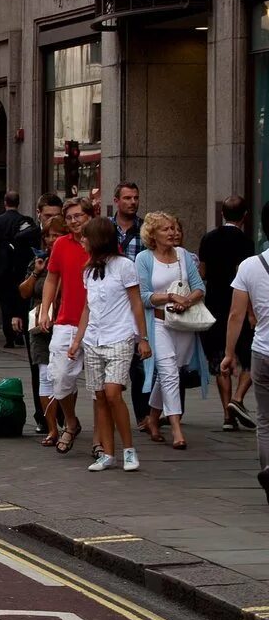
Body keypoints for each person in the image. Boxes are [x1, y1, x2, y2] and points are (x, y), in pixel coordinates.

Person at [69, 216, 150, 473]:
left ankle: (129, 450)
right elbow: (87, 308)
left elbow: (137, 303)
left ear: (98, 240)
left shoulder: (125, 266)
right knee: (100, 396)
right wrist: (77, 340)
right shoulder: (89, 271)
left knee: (114, 393)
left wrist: (143, 339)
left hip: (120, 337)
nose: (82, 241)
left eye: (85, 236)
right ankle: (107, 453)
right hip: (94, 339)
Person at [134, 212, 207, 451]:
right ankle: (176, 429)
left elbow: (199, 287)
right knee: (168, 373)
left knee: (172, 372)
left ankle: (152, 418)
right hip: (158, 324)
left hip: (183, 325)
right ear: (152, 234)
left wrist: (187, 300)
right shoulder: (144, 259)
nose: (172, 233)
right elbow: (143, 296)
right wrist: (169, 296)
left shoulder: (183, 255)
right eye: (166, 229)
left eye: (174, 228)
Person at [36, 199, 93, 455]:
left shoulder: (101, 241)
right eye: (69, 217)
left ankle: (101, 442)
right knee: (58, 378)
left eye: (78, 216)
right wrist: (45, 310)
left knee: (99, 387)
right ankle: (70, 422)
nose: (73, 221)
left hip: (98, 322)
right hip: (66, 319)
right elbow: (51, 278)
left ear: (90, 216)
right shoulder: (60, 243)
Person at [217, 241, 269, 507]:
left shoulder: (250, 266)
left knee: (265, 420)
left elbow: (236, 315)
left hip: (263, 352)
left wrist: (228, 353)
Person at [197, 196, 255, 431]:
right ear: (245, 216)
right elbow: (245, 277)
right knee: (250, 359)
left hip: (214, 304)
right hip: (238, 303)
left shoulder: (208, 238)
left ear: (222, 214)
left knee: (221, 359)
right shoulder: (246, 242)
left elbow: (202, 271)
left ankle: (227, 416)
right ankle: (238, 398)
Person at [21, 216, 67, 443]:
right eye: (47, 235)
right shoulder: (38, 261)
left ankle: (68, 422)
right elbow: (23, 292)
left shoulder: (69, 258)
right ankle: (52, 429)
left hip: (64, 323)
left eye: (55, 235)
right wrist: (36, 272)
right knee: (44, 375)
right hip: (39, 325)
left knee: (64, 376)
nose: (50, 240)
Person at [0, 192, 36, 348]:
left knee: (6, 301)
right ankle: (20, 332)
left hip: (3, 268)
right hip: (21, 267)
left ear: (5, 202)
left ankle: (9, 335)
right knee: (21, 299)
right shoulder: (25, 221)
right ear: (18, 202)